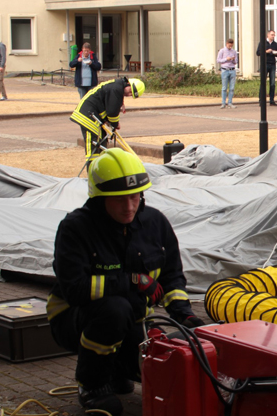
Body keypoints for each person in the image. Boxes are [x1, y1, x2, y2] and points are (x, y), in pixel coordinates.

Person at [47, 149, 205, 415]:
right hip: (74, 318)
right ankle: (92, 385)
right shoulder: (76, 228)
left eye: (135, 197)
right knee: (114, 310)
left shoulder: (155, 223)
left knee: (152, 365)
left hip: (134, 317)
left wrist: (185, 316)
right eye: (119, 200)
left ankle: (117, 370)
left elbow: (171, 276)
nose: (129, 207)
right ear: (100, 198)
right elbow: (75, 290)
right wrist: (133, 280)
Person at [71, 77, 145, 169]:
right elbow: (112, 112)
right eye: (130, 91)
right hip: (88, 116)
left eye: (131, 95)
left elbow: (108, 103)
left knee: (102, 142)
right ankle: (92, 170)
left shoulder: (117, 87)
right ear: (128, 84)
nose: (129, 94)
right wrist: (115, 124)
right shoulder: (116, 89)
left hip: (94, 116)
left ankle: (101, 168)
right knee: (93, 145)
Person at [256, 30, 277, 106]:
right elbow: (258, 52)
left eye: (274, 35)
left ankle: (271, 100)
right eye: (272, 35)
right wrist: (266, 51)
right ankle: (261, 100)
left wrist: (275, 53)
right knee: (263, 83)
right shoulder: (263, 43)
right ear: (268, 35)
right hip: (265, 64)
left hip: (272, 64)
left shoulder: (275, 44)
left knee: (272, 83)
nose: (273, 36)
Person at [217, 39, 238, 109]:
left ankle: (230, 102)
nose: (230, 46)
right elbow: (218, 60)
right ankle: (223, 103)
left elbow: (236, 62)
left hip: (232, 70)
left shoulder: (234, 51)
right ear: (226, 43)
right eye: (229, 45)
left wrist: (233, 59)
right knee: (224, 88)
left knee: (232, 88)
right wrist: (226, 59)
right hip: (225, 70)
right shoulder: (222, 51)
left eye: (231, 45)